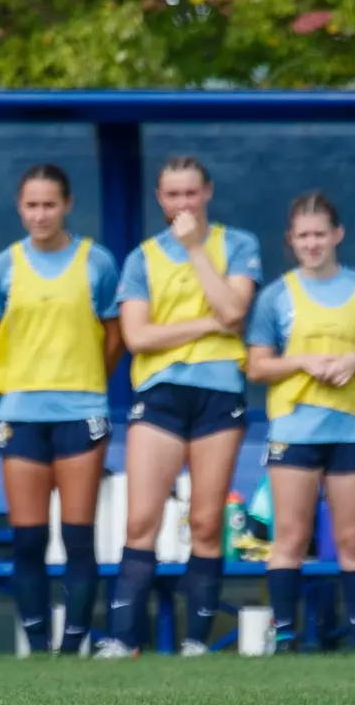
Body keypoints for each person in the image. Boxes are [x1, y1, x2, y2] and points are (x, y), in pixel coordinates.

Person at [99, 156, 260, 659]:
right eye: (173, 195)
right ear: (159, 198)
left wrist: (194, 249)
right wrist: (209, 325)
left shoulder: (238, 244)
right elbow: (137, 336)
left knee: (207, 523)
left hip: (219, 392)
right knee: (141, 521)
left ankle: (196, 643)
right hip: (160, 393)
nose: (182, 203)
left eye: (191, 193)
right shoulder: (143, 257)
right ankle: (124, 639)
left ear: (207, 192)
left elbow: (234, 309)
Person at [0, 165, 122, 655]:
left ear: (67, 205)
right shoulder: (2, 267)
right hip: (21, 411)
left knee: (78, 536)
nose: (40, 215)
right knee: (28, 538)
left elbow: (114, 337)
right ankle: (38, 646)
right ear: (20, 208)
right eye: (32, 205)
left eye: (49, 205)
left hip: (82, 409)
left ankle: (74, 644)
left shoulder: (97, 262)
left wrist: (83, 378)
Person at [245, 191, 355, 652]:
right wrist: (302, 362)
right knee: (289, 538)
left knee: (352, 540)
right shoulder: (276, 295)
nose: (312, 243)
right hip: (294, 428)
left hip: (352, 427)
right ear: (291, 239)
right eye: (303, 236)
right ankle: (285, 638)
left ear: (337, 234)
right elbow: (257, 366)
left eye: (320, 234)